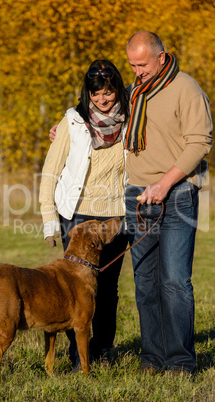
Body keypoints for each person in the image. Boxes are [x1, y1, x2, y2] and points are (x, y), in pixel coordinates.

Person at [124, 31, 213, 375]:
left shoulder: (186, 88)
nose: (136, 71)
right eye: (132, 65)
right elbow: (104, 117)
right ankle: (153, 359)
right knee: (145, 284)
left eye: (142, 64)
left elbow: (199, 142)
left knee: (174, 281)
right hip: (137, 195)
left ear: (161, 58)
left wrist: (164, 183)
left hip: (175, 196)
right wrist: (64, 128)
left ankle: (179, 362)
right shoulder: (136, 92)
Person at [39, 59, 129, 369]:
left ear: (117, 88)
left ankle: (101, 350)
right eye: (96, 94)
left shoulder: (132, 120)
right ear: (87, 93)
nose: (103, 100)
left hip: (115, 216)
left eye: (108, 92)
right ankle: (79, 355)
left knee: (107, 289)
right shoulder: (73, 121)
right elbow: (50, 171)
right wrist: (49, 219)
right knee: (74, 289)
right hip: (75, 215)